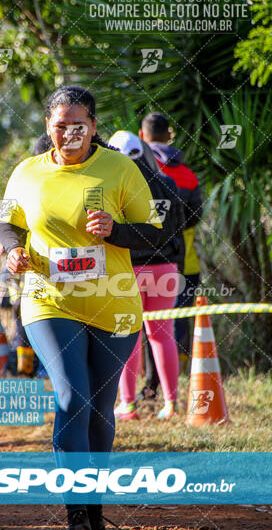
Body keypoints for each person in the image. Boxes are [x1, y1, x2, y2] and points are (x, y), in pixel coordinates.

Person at [0, 86, 163, 530]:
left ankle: (93, 507)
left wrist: (115, 231)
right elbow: (6, 221)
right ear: (48, 127)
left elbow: (154, 232)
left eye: (79, 126)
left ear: (93, 126)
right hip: (47, 300)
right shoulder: (26, 173)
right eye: (59, 126)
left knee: (100, 409)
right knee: (72, 397)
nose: (69, 134)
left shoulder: (120, 168)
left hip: (114, 306)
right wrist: (12, 250)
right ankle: (77, 514)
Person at [108, 131, 185, 420]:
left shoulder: (115, 185)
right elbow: (179, 228)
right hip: (165, 268)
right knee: (163, 336)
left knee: (128, 335)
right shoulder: (166, 184)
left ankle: (127, 405)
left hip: (127, 270)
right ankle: (172, 404)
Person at [139, 113, 203, 372]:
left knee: (145, 326)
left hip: (140, 261)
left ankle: (148, 384)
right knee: (177, 323)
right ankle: (181, 377)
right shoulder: (188, 175)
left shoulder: (138, 169)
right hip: (184, 262)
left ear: (142, 136)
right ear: (169, 135)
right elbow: (195, 217)